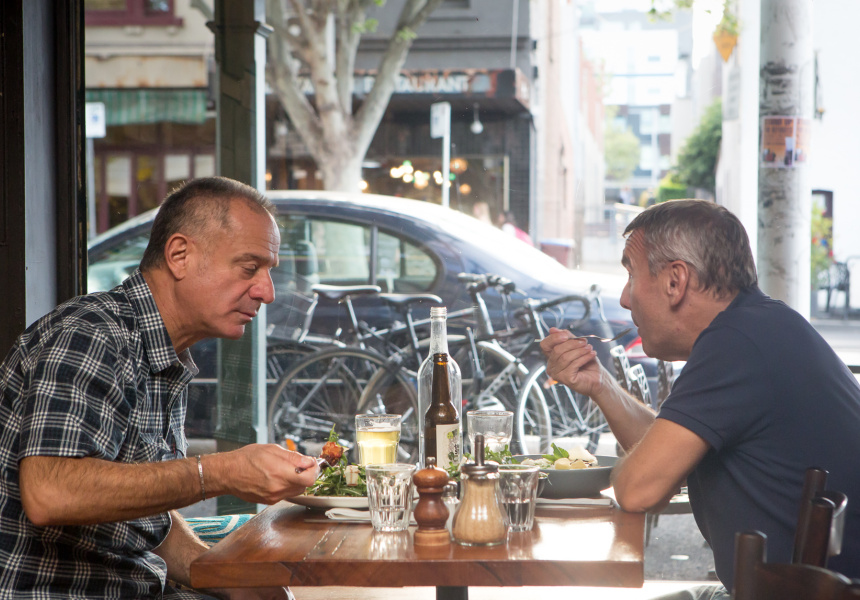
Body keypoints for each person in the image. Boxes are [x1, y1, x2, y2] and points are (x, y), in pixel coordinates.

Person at [0, 177, 320, 599]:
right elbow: (50, 493)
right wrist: (221, 472)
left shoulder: (164, 352)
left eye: (269, 271)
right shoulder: (91, 333)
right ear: (179, 255)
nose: (267, 292)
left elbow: (145, 522)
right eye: (249, 268)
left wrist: (228, 580)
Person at [541, 199, 860, 598]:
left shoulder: (736, 344)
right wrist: (600, 384)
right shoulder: (759, 325)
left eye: (631, 274)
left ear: (675, 282)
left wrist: (629, 473)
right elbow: (665, 458)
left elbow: (638, 489)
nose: (624, 297)